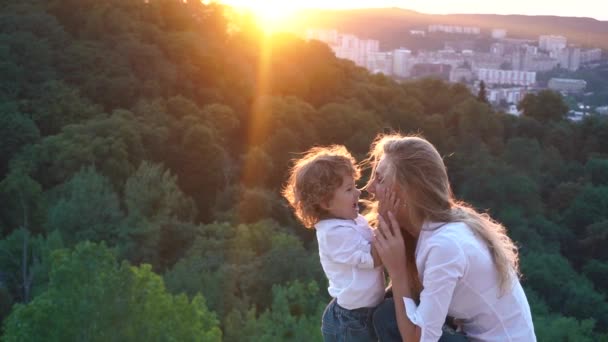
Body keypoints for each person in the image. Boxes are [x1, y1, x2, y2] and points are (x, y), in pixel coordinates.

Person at [364, 134, 536, 342]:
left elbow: (419, 340)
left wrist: (397, 272)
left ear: (409, 192)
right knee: (389, 306)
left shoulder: (444, 245)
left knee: (388, 317)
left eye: (380, 179)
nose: (369, 188)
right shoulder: (433, 230)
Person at [282, 145, 386, 341]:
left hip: (365, 312)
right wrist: (388, 217)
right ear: (325, 202)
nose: (358, 193)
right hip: (351, 320)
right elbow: (375, 257)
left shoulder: (352, 221)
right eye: (349, 189)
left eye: (355, 185)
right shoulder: (333, 234)